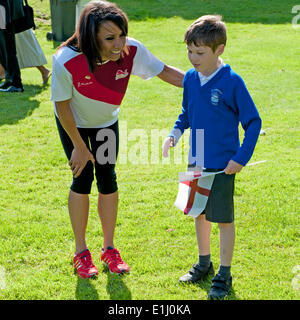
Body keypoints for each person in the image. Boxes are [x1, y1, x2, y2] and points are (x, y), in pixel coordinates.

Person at [51, 0, 184, 279]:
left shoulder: (131, 50)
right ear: (90, 36)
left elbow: (165, 72)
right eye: (109, 38)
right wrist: (78, 145)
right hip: (74, 124)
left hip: (106, 123)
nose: (118, 44)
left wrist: (208, 81)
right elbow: (62, 105)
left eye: (122, 35)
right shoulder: (65, 59)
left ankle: (109, 249)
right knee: (82, 178)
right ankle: (80, 252)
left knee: (108, 177)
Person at [162, 15, 261, 299]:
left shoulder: (232, 82)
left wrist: (241, 157)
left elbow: (253, 122)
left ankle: (224, 274)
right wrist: (174, 134)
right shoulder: (191, 78)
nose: (193, 58)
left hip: (222, 167)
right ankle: (204, 263)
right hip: (196, 161)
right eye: (190, 51)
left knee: (223, 220)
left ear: (219, 50)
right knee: (199, 213)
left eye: (200, 53)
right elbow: (187, 113)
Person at [0, 0, 24, 92]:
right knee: (3, 50)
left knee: (8, 49)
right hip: (4, 10)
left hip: (5, 12)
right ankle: (9, 79)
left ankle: (16, 83)